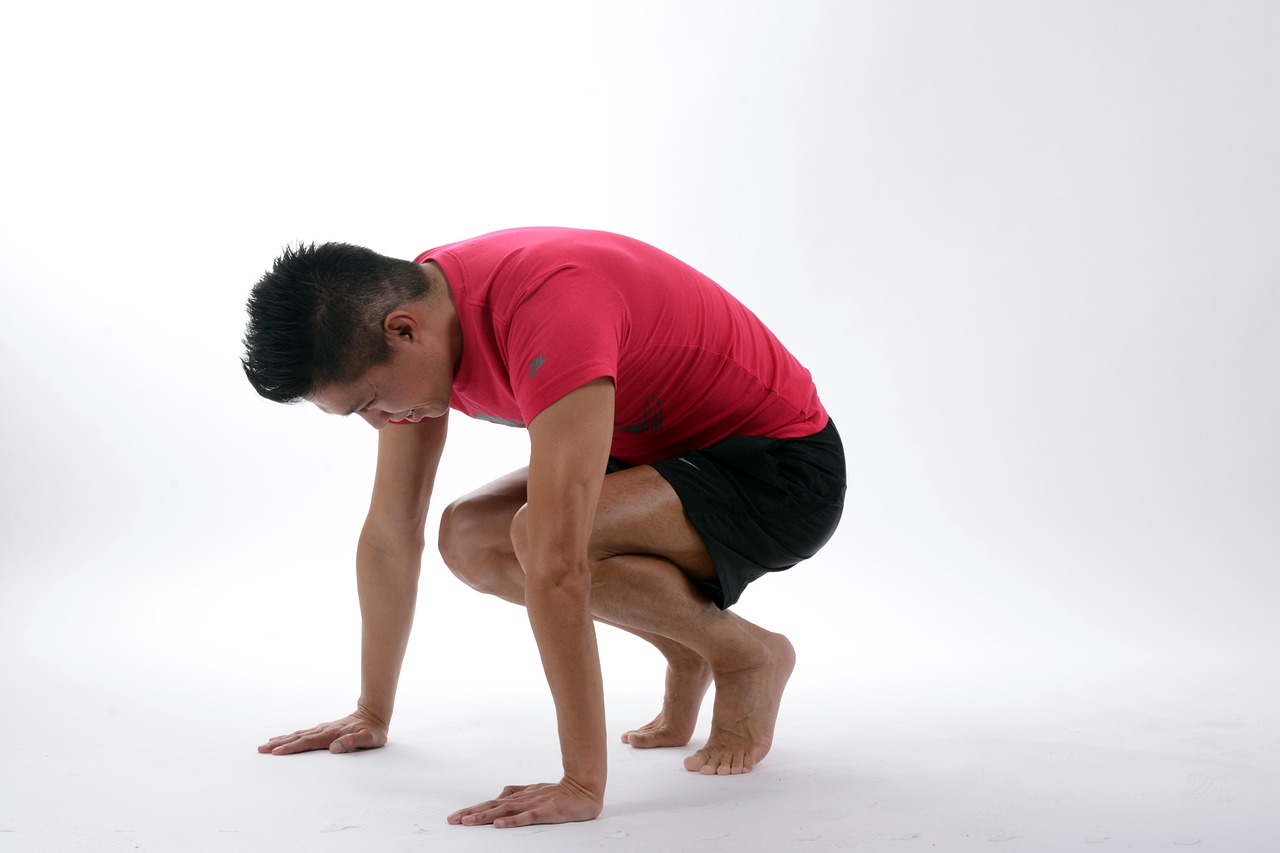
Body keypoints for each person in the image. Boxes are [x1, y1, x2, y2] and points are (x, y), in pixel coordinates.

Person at [241, 227, 845, 828]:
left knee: (539, 538)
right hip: (654, 458)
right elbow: (391, 532)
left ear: (403, 329)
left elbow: (559, 564)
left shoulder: (551, 308)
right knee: (471, 537)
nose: (379, 424)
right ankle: (688, 644)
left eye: (369, 401)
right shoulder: (421, 312)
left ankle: (746, 657)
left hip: (777, 470)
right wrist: (371, 711)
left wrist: (581, 782)